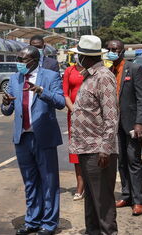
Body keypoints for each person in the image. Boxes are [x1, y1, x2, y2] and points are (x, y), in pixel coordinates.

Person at [1, 46, 65, 235]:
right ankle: (32, 221)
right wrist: (5, 104)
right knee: (30, 182)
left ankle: (49, 223)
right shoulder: (15, 78)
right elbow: (8, 110)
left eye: (23, 59)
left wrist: (41, 91)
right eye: (18, 58)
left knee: (49, 182)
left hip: (44, 137)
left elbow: (61, 102)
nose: (19, 63)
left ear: (35, 60)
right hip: (23, 137)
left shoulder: (50, 76)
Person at [69, 35, 119, 234]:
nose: (76, 59)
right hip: (84, 148)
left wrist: (105, 149)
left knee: (103, 203)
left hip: (98, 150)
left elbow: (111, 117)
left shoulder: (103, 77)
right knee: (91, 201)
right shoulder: (89, 76)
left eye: (78, 56)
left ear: (85, 57)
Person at [106, 40, 142, 216]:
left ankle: (138, 200)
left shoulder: (135, 69)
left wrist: (139, 122)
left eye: (114, 49)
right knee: (121, 161)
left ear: (122, 51)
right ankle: (126, 195)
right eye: (108, 49)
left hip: (132, 124)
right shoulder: (109, 71)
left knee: (134, 161)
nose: (111, 52)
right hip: (115, 125)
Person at [62, 61, 85, 201]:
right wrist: (74, 111)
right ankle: (80, 185)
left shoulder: (95, 69)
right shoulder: (69, 71)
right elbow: (65, 94)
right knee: (76, 152)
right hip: (74, 115)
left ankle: (92, 184)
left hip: (93, 116)